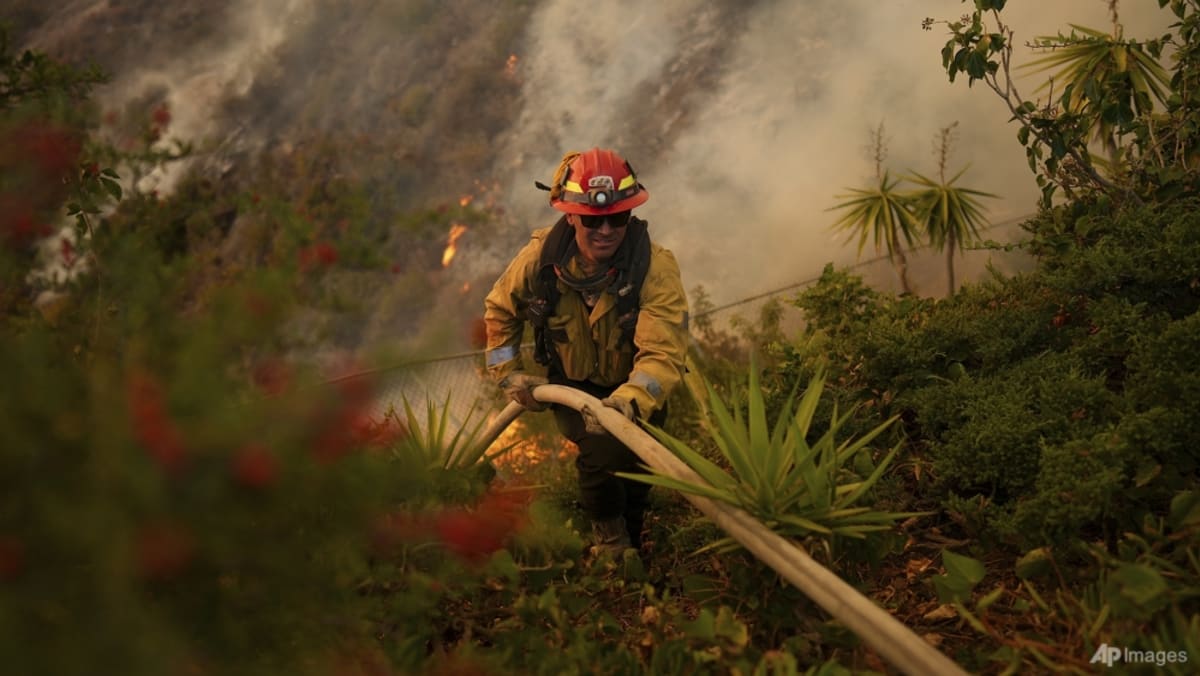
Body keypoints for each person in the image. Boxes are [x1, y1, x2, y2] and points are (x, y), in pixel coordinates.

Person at [483, 148, 689, 557]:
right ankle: (612, 549)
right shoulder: (541, 259)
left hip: (635, 392)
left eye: (618, 218)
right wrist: (506, 374)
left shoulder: (654, 267)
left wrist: (631, 399)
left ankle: (634, 539)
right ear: (572, 215)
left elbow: (662, 353)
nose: (606, 230)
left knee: (635, 470)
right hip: (572, 387)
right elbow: (499, 309)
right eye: (595, 220)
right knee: (601, 456)